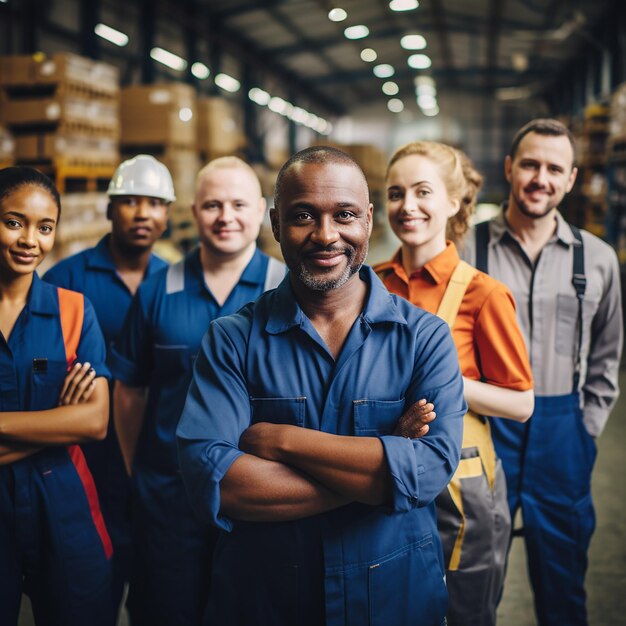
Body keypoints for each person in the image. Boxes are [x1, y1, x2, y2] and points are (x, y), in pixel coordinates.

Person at [176, 146, 467, 626]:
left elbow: (431, 468)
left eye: (345, 215)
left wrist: (281, 440)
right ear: (275, 223)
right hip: (266, 599)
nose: (326, 235)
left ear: (369, 219)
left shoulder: (424, 338)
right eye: (303, 216)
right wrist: (386, 458)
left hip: (394, 599)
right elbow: (217, 480)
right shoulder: (232, 340)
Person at [110, 156, 287, 626]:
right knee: (166, 609)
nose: (225, 216)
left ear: (263, 211)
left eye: (238, 204)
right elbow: (129, 390)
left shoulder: (287, 289)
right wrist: (140, 470)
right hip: (168, 501)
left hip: (260, 497)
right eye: (212, 204)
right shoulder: (157, 289)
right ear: (193, 210)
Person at [462, 118, 623, 625]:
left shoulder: (596, 259)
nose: (541, 178)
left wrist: (586, 429)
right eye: (530, 164)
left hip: (562, 433)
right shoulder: (466, 250)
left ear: (571, 178)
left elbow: (607, 356)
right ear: (509, 168)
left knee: (563, 579)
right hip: (487, 429)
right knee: (472, 576)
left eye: (555, 168)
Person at [374, 141, 534, 626]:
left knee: (465, 612)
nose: (408, 206)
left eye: (423, 192)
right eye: (396, 193)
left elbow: (521, 402)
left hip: (459, 487)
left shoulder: (483, 295)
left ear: (453, 202)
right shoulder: (368, 285)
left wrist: (445, 382)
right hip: (382, 472)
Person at [43, 154, 172, 619]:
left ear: (168, 214)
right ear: (109, 209)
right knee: (88, 584)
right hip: (85, 459)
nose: (142, 213)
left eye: (155, 203)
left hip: (155, 454)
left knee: (155, 586)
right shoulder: (65, 281)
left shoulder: (173, 282)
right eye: (130, 202)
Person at [0, 167, 112, 625]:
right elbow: (72, 423)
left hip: (63, 505)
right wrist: (55, 422)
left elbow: (95, 422)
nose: (31, 240)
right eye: (13, 222)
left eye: (45, 228)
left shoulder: (73, 310)